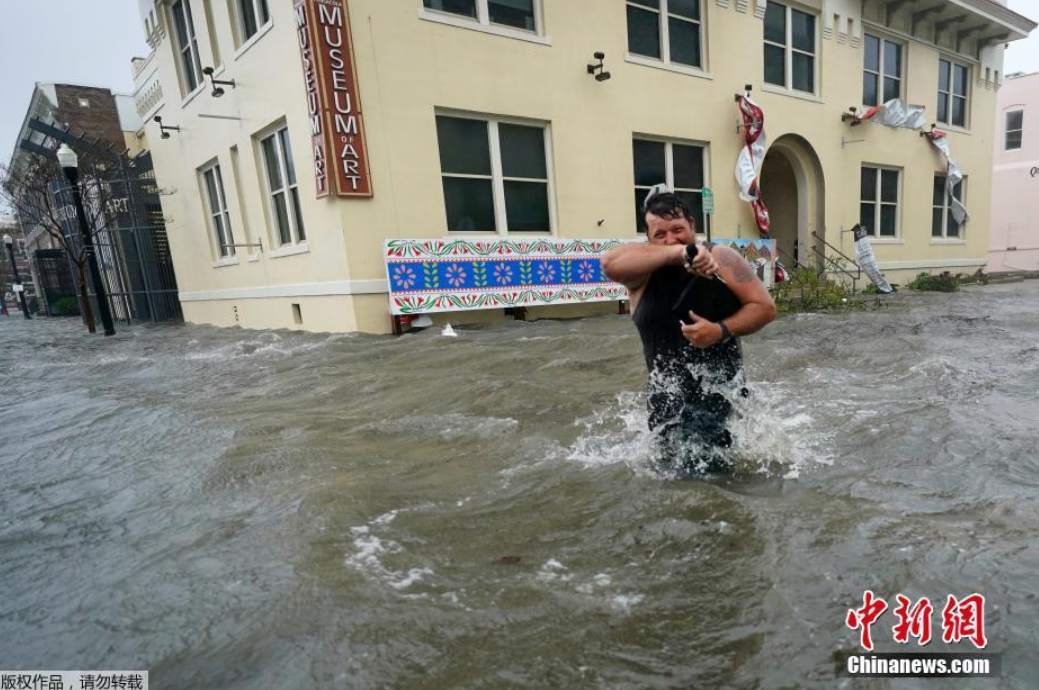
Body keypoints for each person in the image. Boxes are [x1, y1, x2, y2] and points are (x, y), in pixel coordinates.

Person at [601, 189, 776, 474]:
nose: (671, 238)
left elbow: (765, 307)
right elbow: (609, 264)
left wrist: (720, 330)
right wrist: (679, 253)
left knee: (722, 484)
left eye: (678, 230)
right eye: (661, 234)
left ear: (693, 226)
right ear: (648, 238)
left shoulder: (723, 258)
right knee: (670, 485)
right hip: (666, 406)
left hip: (722, 397)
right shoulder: (640, 275)